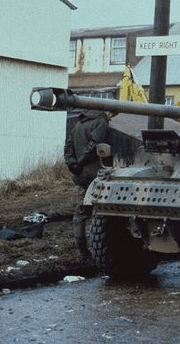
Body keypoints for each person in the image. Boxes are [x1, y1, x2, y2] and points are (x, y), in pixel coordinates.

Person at [64, 110, 110, 261]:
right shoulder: (100, 122)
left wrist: (72, 163)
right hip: (96, 174)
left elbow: (68, 146)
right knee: (101, 212)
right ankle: (99, 251)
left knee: (80, 213)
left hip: (80, 174)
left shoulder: (78, 124)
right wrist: (81, 161)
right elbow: (95, 145)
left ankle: (83, 251)